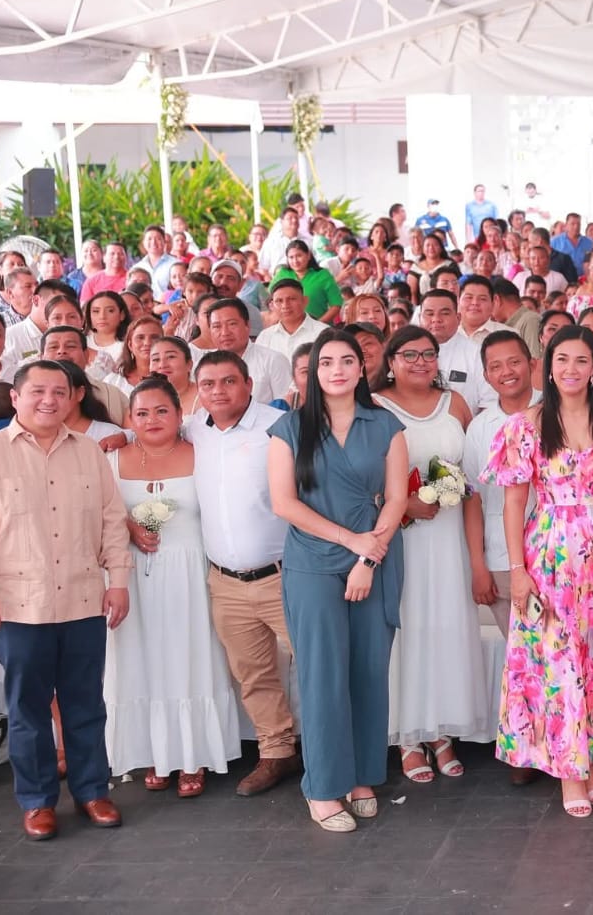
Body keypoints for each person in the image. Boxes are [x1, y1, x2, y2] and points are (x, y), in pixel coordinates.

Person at [483, 325, 593, 816]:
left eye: (581, 360)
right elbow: (513, 503)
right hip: (551, 557)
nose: (570, 369)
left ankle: (591, 762)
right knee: (560, 660)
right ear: (548, 367)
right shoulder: (526, 425)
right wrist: (517, 569)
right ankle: (570, 772)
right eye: (561, 359)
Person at [267, 332, 410, 832]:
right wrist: (350, 541)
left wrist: (368, 557)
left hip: (376, 556)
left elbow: (396, 499)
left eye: (347, 360)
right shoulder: (289, 428)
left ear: (361, 368)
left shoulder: (386, 424)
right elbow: (284, 503)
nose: (337, 370)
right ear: (312, 372)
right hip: (313, 561)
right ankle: (324, 786)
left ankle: (362, 776)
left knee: (368, 670)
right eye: (325, 362)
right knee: (323, 674)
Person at [0, 360, 131, 840]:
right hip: (18, 604)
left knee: (85, 701)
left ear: (73, 397)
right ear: (16, 397)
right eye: (38, 391)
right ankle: (37, 801)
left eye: (59, 391)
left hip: (82, 597)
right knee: (28, 708)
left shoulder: (89, 452)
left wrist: (118, 580)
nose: (49, 400)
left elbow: (112, 519)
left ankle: (93, 791)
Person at [103, 376, 241, 797]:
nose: (152, 419)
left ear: (181, 414)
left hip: (190, 574)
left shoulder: (203, 453)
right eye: (142, 413)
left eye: (162, 410)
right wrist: (129, 526)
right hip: (133, 578)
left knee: (190, 656)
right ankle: (154, 751)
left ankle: (193, 753)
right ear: (130, 419)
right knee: (141, 659)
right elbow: (100, 513)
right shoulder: (112, 458)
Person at [184, 351, 303, 796]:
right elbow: (146, 431)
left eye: (228, 381)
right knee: (254, 675)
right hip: (226, 583)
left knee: (315, 666)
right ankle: (277, 752)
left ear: (249, 384)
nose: (218, 391)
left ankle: (331, 754)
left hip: (285, 575)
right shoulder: (193, 429)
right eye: (208, 383)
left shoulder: (279, 425)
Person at [374, 326, 489, 781]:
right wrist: (402, 505)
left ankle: (441, 731)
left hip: (448, 538)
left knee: (445, 626)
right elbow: (360, 477)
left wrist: (477, 559)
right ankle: (407, 735)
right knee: (407, 630)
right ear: (391, 360)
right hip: (398, 538)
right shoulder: (375, 406)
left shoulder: (455, 404)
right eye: (409, 354)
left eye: (428, 354)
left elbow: (472, 482)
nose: (420, 362)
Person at [463, 331, 536, 645]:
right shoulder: (480, 427)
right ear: (486, 376)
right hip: (502, 559)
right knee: (521, 654)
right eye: (496, 366)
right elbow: (472, 499)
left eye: (514, 362)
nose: (507, 372)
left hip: (558, 553)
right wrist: (478, 566)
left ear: (532, 364)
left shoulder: (559, 411)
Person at [271, 240, 343, 323]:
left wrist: (317, 325)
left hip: (319, 327)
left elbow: (336, 304)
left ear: (308, 255)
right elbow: (270, 300)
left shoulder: (323, 275)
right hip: (287, 326)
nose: (295, 261)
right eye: (291, 257)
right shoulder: (282, 274)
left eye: (299, 256)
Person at [258, 279, 329, 358]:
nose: (285, 306)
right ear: (272, 306)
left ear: (305, 301)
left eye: (291, 299)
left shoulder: (324, 333)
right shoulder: (265, 336)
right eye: (279, 301)